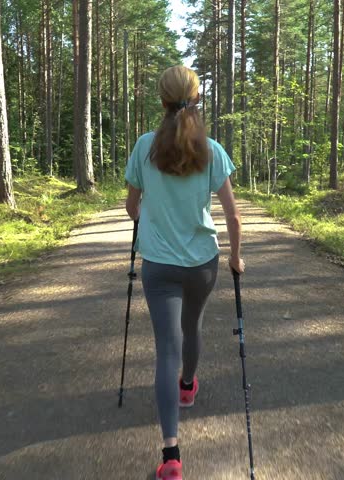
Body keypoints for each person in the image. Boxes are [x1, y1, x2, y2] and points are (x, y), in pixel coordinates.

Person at [125, 65, 244, 480]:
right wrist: (236, 258)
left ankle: (171, 456)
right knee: (192, 327)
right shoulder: (211, 150)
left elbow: (132, 206)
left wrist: (147, 216)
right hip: (201, 264)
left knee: (166, 350)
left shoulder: (144, 147)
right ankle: (188, 386)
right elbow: (233, 216)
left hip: (159, 265)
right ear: (197, 99)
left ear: (162, 100)